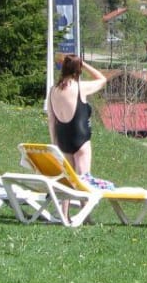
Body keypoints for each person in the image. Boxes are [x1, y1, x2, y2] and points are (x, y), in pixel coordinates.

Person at [47, 55, 112, 189]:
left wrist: (55, 142)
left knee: (66, 183)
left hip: (63, 141)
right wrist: (84, 64)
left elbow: (51, 119)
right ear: (78, 71)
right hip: (80, 140)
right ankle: (85, 209)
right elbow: (102, 79)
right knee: (84, 183)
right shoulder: (80, 87)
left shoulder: (53, 91)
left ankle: (64, 211)